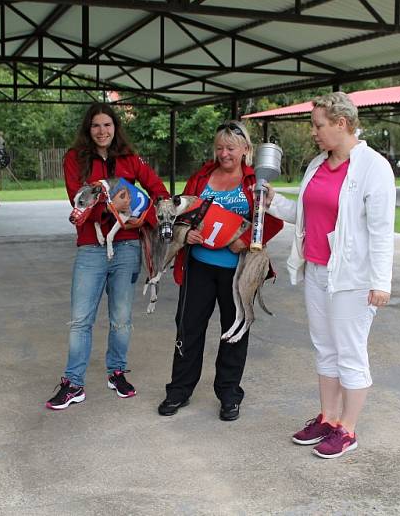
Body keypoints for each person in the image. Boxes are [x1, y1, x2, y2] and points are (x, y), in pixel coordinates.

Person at [265, 92, 396, 459]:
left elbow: (382, 230)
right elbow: (307, 212)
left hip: (353, 278)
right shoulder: (318, 164)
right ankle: (328, 417)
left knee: (350, 353)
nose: (313, 133)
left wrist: (380, 283)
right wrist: (273, 202)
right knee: (324, 348)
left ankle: (348, 429)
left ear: (342, 124)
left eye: (318, 125)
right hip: (317, 270)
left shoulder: (373, 167)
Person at [157, 120, 284, 421]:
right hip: (199, 266)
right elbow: (180, 214)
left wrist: (250, 240)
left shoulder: (256, 181)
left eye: (230, 147)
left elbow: (272, 220)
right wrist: (184, 234)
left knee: (235, 331)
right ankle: (179, 390)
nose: (224, 153)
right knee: (188, 329)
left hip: (237, 272)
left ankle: (229, 394)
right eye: (219, 148)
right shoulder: (202, 177)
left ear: (245, 150)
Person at [46, 103, 169, 410]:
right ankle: (73, 383)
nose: (102, 131)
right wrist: (114, 209)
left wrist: (144, 216)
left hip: (126, 246)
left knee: (121, 319)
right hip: (91, 247)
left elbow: (159, 191)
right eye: (96, 126)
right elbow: (79, 202)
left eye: (108, 125)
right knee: (80, 320)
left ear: (116, 128)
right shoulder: (75, 158)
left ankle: (117, 372)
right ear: (88, 130)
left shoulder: (130, 158)